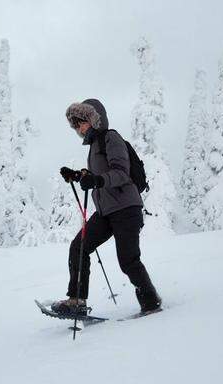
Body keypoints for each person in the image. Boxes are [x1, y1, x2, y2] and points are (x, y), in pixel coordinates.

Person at [51, 98, 161, 315]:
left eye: (81, 122)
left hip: (126, 208)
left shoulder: (111, 138)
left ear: (93, 119)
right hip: (106, 211)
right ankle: (77, 301)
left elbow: (120, 172)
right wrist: (77, 176)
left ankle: (150, 300)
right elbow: (97, 175)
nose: (78, 128)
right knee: (79, 247)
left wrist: (97, 181)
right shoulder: (94, 146)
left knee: (128, 261)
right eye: (75, 125)